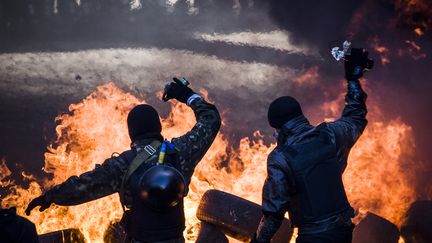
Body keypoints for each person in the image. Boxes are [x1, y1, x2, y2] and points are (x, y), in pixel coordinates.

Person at [25, 79, 221, 243]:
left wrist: (50, 196)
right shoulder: (180, 152)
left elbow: (82, 188)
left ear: (131, 133)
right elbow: (211, 120)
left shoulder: (122, 165)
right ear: (158, 128)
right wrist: (187, 94)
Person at [251, 48, 372, 243]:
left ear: (279, 128)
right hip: (343, 231)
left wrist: (258, 241)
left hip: (313, 236)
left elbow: (274, 213)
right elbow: (356, 115)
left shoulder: (280, 157)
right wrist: (353, 79)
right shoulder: (330, 134)